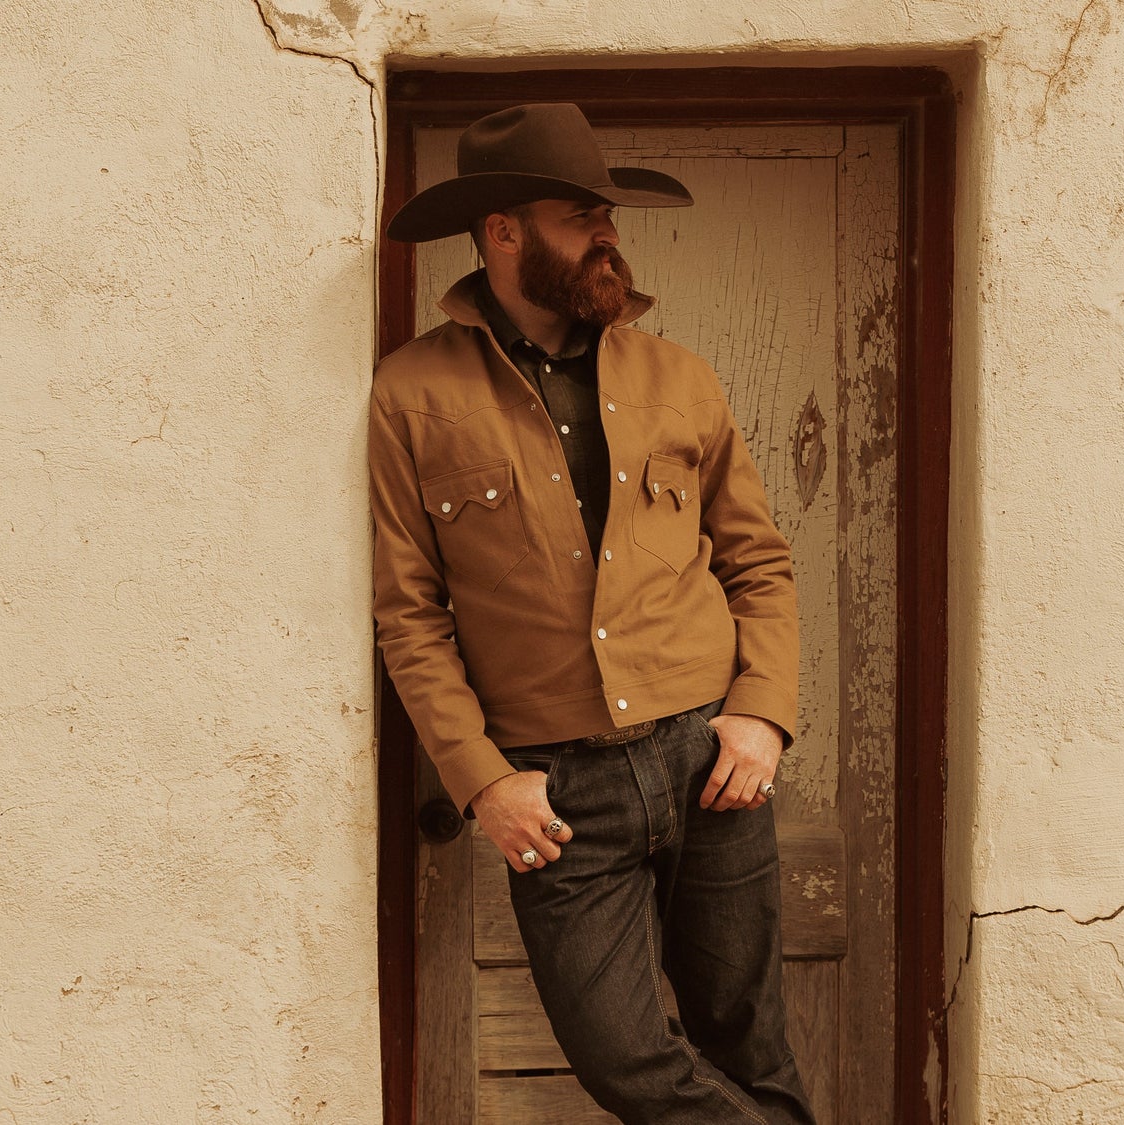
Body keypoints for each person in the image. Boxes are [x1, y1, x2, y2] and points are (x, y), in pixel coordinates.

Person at [371, 102, 817, 1123]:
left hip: (709, 761)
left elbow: (757, 560)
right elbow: (409, 614)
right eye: (581, 217)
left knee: (747, 1040)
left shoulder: (678, 377)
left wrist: (761, 711)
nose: (607, 235)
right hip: (559, 794)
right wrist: (483, 780)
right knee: (624, 1060)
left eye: (607, 215)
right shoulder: (412, 394)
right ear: (502, 233)